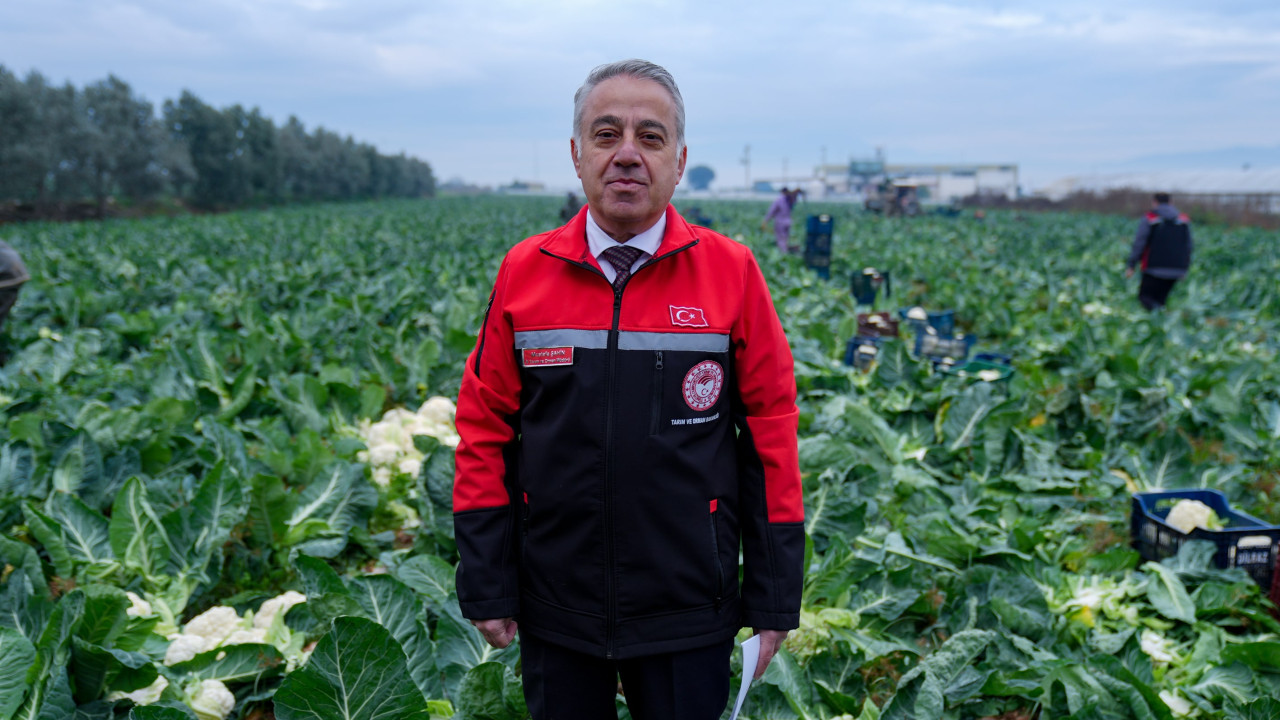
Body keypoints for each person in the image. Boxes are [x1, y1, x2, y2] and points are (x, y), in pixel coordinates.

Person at [452, 59, 803, 720]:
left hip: (687, 604)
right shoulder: (526, 270)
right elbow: (484, 429)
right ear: (578, 155)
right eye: (607, 134)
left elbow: (770, 432)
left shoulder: (731, 271)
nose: (628, 155)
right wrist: (487, 581)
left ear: (679, 159)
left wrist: (775, 596)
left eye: (651, 136)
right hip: (557, 600)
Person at [1126, 192, 1193, 310]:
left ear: (1155, 203)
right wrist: (1185, 268)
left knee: (1144, 298)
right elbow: (1188, 246)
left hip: (1153, 268)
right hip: (1177, 269)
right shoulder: (1183, 220)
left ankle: (1159, 317)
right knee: (1160, 300)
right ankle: (1161, 320)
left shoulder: (1150, 218)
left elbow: (1140, 243)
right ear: (1171, 203)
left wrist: (1131, 264)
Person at [761, 186, 802, 253]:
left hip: (780, 223)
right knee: (785, 239)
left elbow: (771, 212)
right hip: (788, 223)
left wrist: (765, 221)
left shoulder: (779, 200)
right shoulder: (790, 200)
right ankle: (786, 252)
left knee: (781, 240)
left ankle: (784, 255)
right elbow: (794, 198)